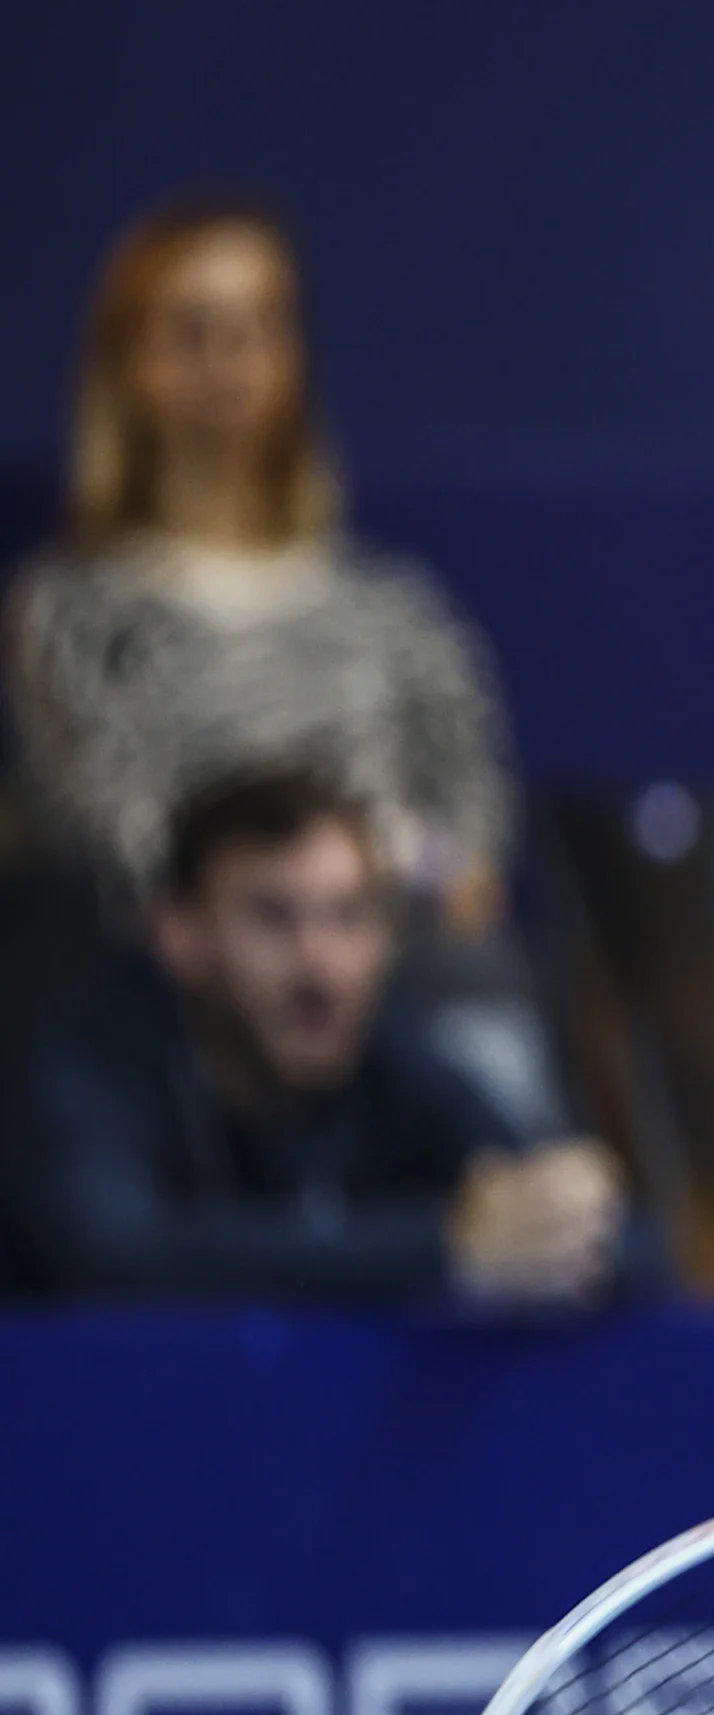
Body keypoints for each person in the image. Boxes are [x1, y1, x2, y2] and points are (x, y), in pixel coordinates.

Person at [5, 195, 549, 1126]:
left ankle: (523, 1206)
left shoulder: (393, 607)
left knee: (480, 986)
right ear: (126, 363)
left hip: (394, 958)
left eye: (255, 330)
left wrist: (363, 911)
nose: (225, 367)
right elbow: (100, 814)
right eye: (190, 333)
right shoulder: (69, 610)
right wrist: (266, 911)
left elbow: (470, 815)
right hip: (183, 968)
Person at [0, 767, 631, 1305]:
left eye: (348, 915)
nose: (320, 967)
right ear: (180, 934)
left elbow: (630, 1248)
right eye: (274, 918)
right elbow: (111, 1258)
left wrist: (563, 1219)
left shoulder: (387, 1053)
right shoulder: (92, 1055)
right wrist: (446, 1247)